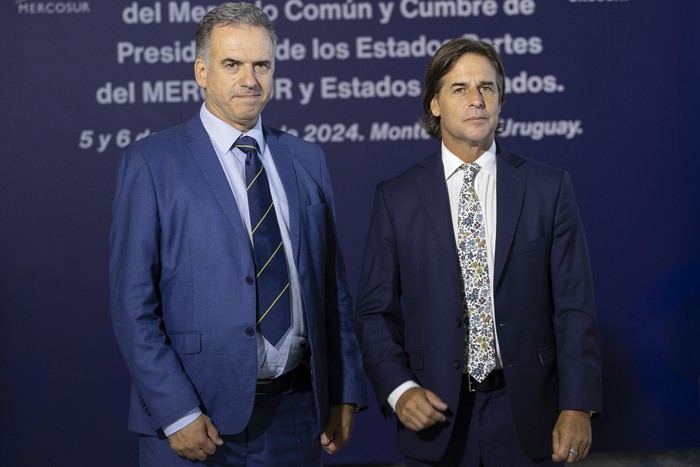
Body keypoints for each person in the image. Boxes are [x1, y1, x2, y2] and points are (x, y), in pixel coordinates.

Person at [109, 3, 366, 465]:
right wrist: (176, 412)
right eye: (232, 64)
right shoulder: (151, 163)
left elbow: (333, 291)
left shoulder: (306, 159)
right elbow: (132, 305)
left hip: (296, 415)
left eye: (261, 65)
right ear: (202, 72)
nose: (250, 79)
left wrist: (344, 388)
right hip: (195, 422)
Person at [353, 38, 603, 466]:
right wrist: (399, 390)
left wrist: (578, 405)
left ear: (500, 101)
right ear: (434, 103)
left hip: (529, 418)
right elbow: (374, 313)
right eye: (460, 89)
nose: (476, 100)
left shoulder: (548, 189)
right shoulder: (396, 198)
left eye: (487, 88)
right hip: (435, 418)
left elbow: (575, 308)